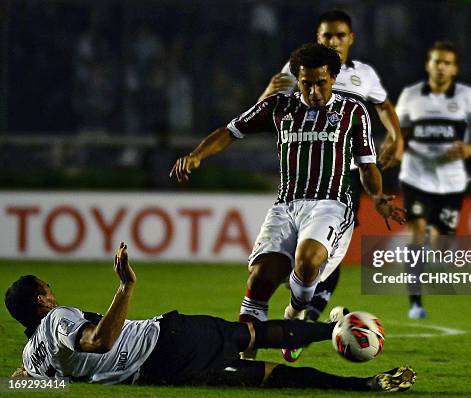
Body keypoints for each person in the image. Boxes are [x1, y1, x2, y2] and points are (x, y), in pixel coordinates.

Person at [170, 43, 405, 361]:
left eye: (320, 82)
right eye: (306, 83)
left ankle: (294, 315)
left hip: (331, 203)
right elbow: (230, 131)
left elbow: (366, 165)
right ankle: (243, 361)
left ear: (333, 78)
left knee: (308, 261)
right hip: (286, 206)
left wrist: (377, 196)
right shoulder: (277, 107)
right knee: (260, 280)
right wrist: (197, 156)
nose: (313, 90)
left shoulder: (353, 112)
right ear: (298, 80)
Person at [5, 243, 417, 392]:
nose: (53, 293)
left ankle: (363, 385)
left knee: (270, 376)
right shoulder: (59, 318)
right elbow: (98, 342)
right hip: (167, 340)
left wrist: (22, 379)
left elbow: (23, 380)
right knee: (251, 334)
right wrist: (126, 287)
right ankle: (334, 328)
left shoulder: (34, 353)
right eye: (48, 289)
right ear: (42, 299)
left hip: (164, 376)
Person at [258, 9, 404, 325]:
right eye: (327, 36)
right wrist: (269, 94)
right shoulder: (297, 68)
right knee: (304, 254)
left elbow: (384, 106)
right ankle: (303, 306)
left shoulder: (363, 74)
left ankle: (306, 314)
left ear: (351, 38)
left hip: (351, 172)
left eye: (340, 35)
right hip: (306, 175)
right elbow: (265, 109)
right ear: (318, 38)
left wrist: (397, 137)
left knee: (326, 249)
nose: (334, 41)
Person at [395, 41, 471, 319]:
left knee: (440, 245)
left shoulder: (467, 96)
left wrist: (470, 149)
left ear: (455, 69)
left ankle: (431, 241)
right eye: (437, 61)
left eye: (447, 63)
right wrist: (395, 149)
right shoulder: (411, 95)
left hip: (451, 182)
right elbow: (398, 133)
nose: (441, 67)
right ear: (428, 64)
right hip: (415, 176)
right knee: (417, 235)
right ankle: (415, 302)